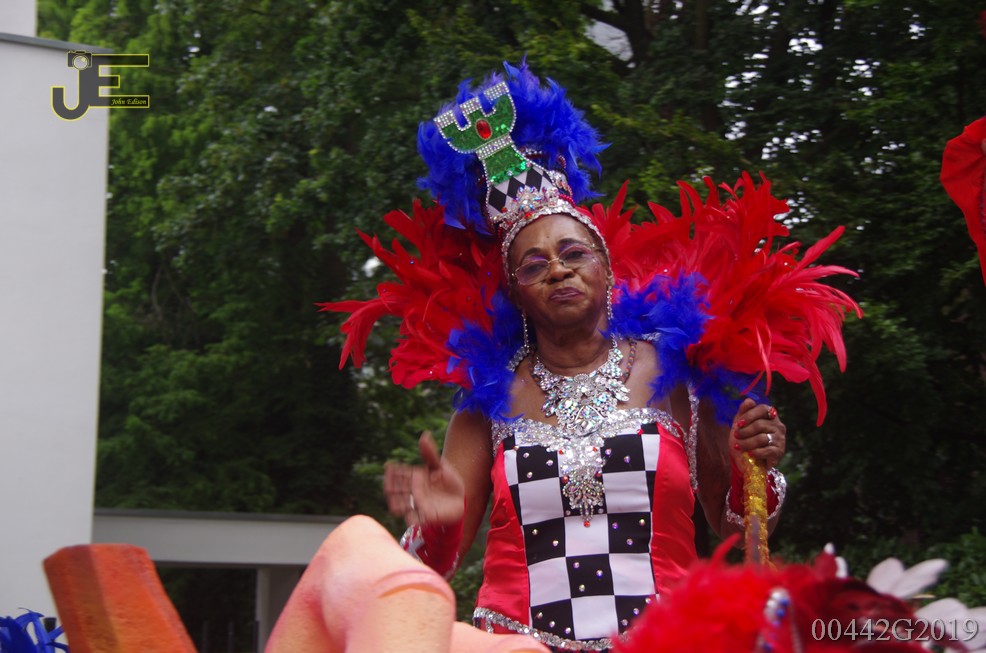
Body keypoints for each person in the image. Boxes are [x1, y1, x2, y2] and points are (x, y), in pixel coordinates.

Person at [322, 62, 858, 652]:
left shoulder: (678, 375)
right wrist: (438, 525)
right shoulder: (485, 401)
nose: (557, 269)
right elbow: (432, 570)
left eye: (574, 253)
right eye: (533, 265)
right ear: (516, 293)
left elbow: (735, 527)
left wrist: (751, 468)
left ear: (606, 269)